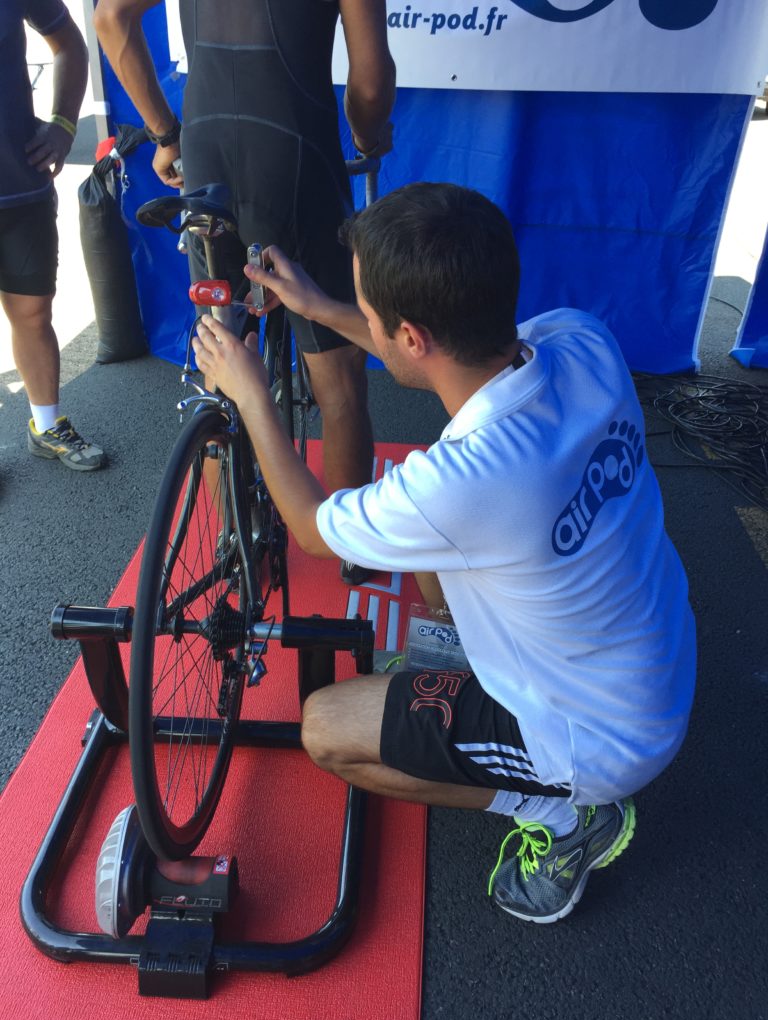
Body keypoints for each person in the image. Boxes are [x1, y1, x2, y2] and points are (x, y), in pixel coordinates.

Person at [190, 182, 697, 924]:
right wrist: (321, 310)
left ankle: (568, 819)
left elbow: (306, 525)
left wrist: (252, 396)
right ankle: (477, 678)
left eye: (366, 314)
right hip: (653, 657)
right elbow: (443, 355)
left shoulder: (465, 485)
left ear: (411, 336)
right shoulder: (578, 339)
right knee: (425, 520)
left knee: (327, 729)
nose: (359, 319)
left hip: (599, 741)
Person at [93, 0, 395, 580]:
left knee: (222, 347)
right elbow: (372, 80)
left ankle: (235, 537)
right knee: (339, 373)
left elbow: (110, 20)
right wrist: (367, 134)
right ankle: (357, 553)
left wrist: (164, 133)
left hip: (207, 149)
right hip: (296, 154)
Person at [2, 1, 105, 471]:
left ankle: (46, 426)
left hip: (20, 186)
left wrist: (65, 126)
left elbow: (69, 45)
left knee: (32, 311)